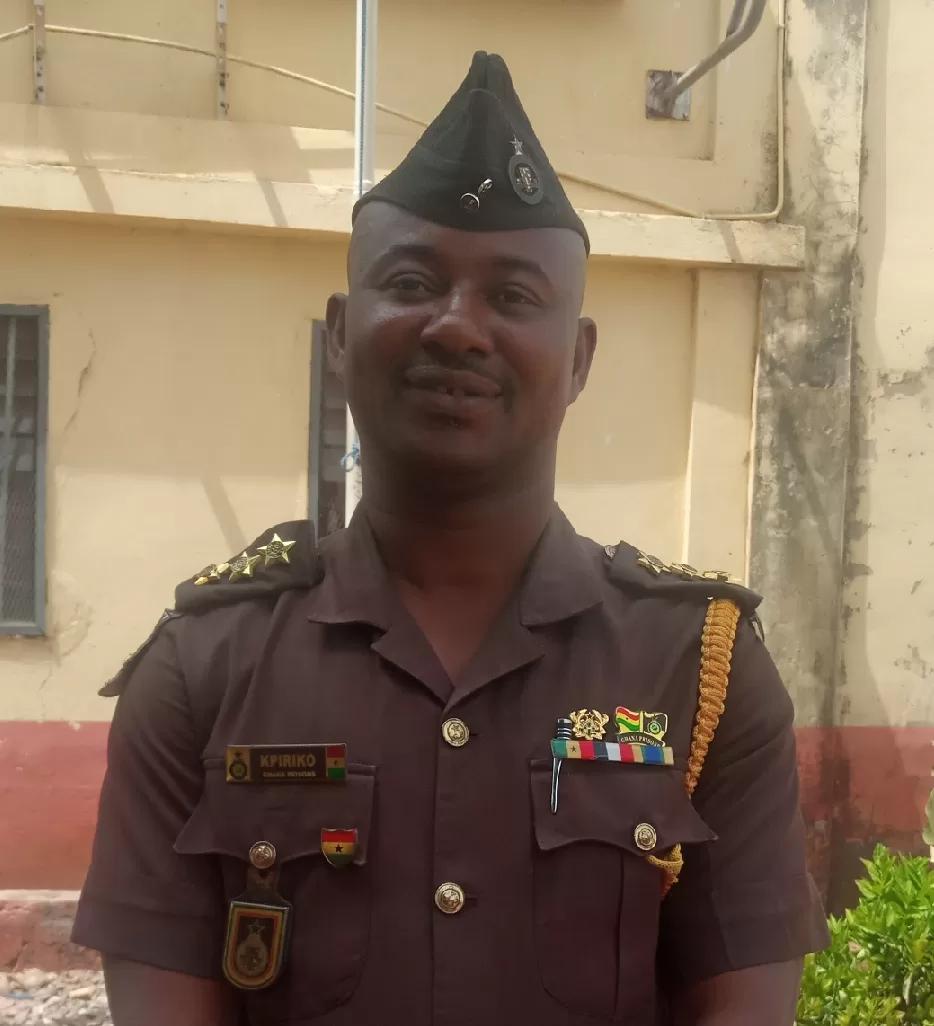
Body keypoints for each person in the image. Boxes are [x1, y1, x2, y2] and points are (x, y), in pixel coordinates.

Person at [73, 51, 828, 1026]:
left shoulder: (697, 667)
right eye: (411, 282)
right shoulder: (204, 666)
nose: (458, 328)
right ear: (339, 333)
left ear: (579, 358)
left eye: (513, 296)